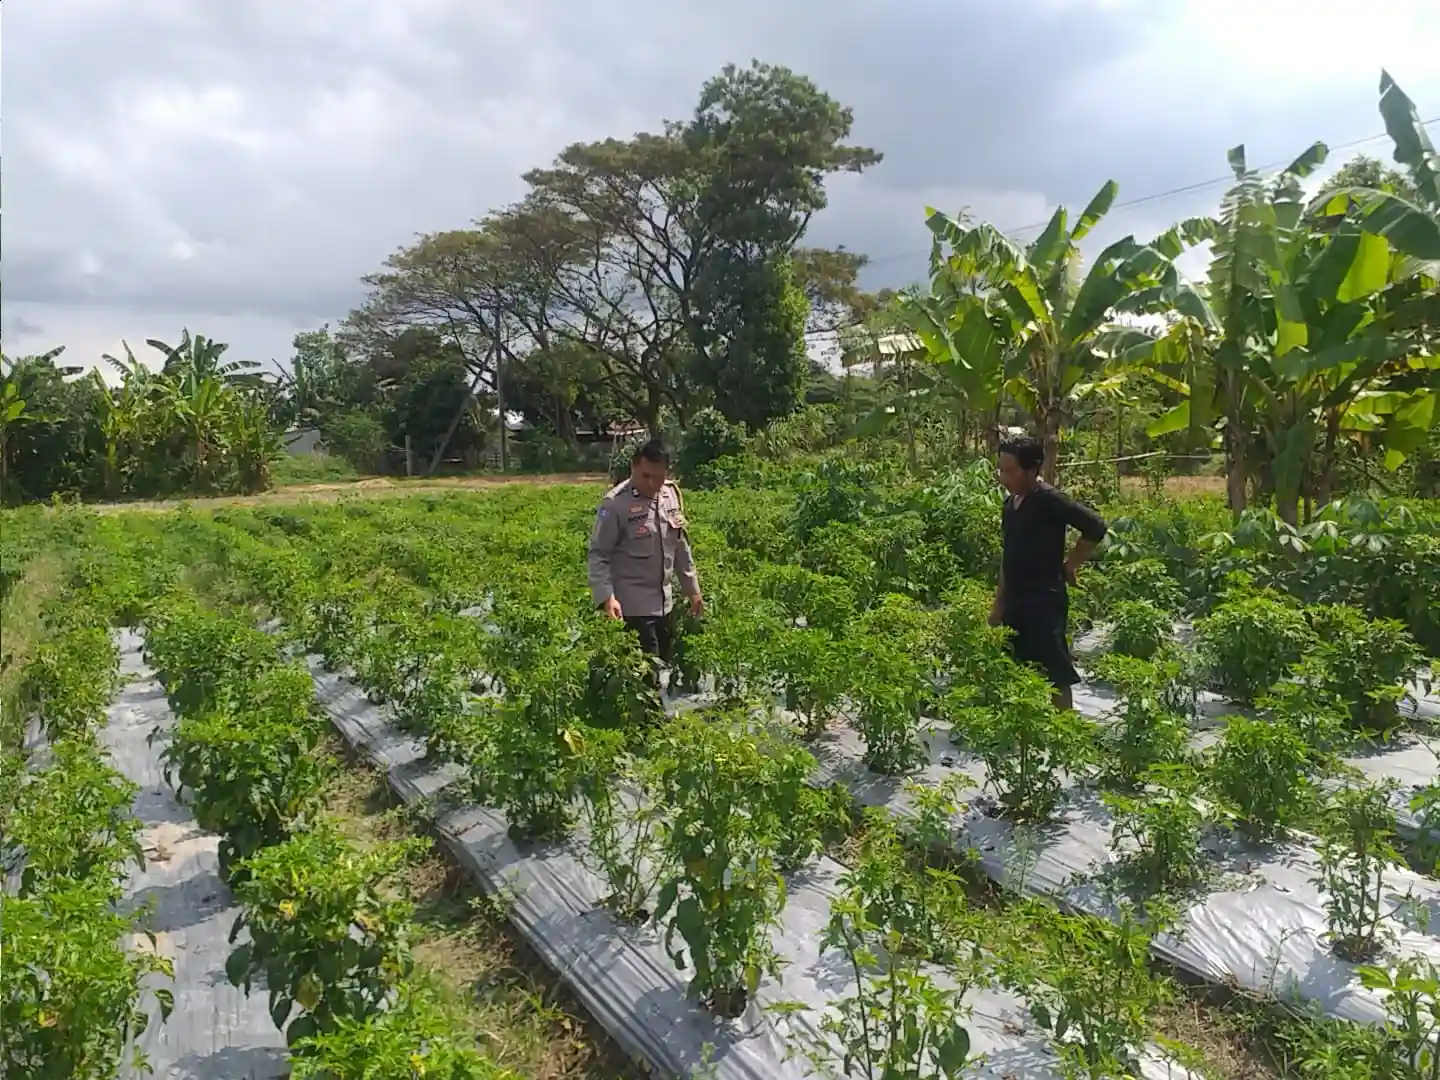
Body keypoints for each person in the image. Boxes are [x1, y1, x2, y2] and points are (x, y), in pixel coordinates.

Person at [988, 434, 1107, 712]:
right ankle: (1026, 731)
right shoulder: (1010, 505)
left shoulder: (1049, 499)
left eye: (1010, 471)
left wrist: (1071, 565)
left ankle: (1064, 731)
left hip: (1044, 600)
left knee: (1054, 671)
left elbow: (1095, 526)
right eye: (1001, 469)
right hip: (1016, 600)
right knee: (1015, 666)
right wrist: (998, 604)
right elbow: (1009, 557)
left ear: (1033, 469)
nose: (1003, 477)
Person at [587, 438, 704, 664]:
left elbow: (680, 546)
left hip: (665, 606)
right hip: (633, 610)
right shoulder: (615, 504)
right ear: (634, 467)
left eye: (658, 477)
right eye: (645, 476)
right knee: (649, 681)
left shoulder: (671, 495)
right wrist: (606, 597)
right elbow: (598, 554)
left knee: (665, 670)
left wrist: (692, 589)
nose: (651, 483)